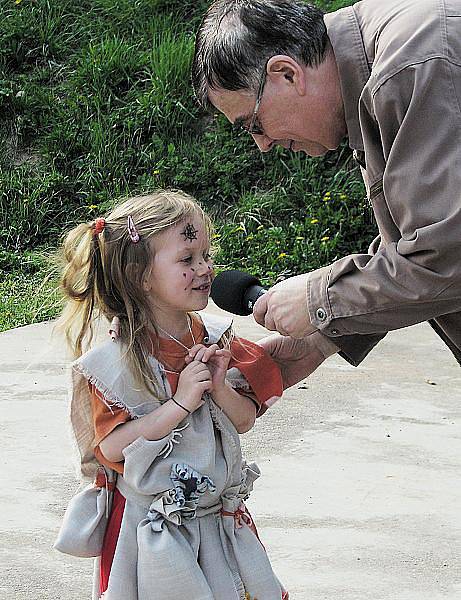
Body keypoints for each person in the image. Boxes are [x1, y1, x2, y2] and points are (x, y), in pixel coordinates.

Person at [191, 0, 461, 387]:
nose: (262, 145)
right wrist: (320, 340)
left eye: (253, 123)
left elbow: (449, 254)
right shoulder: (379, 67)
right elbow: (422, 239)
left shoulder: (412, 68)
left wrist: (320, 300)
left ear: (286, 73)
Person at [54, 190, 288, 600]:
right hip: (149, 527)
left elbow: (245, 419)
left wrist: (217, 386)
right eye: (187, 259)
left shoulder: (217, 339)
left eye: (206, 255)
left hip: (216, 521)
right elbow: (111, 447)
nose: (205, 269)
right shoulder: (114, 364)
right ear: (140, 275)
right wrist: (179, 404)